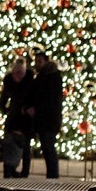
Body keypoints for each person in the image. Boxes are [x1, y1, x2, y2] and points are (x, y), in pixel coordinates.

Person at [0, 56, 34, 176]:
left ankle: (24, 173)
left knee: (25, 148)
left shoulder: (30, 82)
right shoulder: (9, 83)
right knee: (9, 146)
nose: (17, 76)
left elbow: (34, 99)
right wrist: (7, 109)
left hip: (25, 120)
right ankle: (9, 171)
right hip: (13, 119)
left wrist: (26, 109)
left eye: (20, 73)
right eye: (15, 73)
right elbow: (3, 100)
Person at [32, 50, 64, 179]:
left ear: (45, 61)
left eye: (39, 61)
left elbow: (49, 99)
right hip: (45, 119)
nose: (37, 64)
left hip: (48, 119)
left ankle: (53, 177)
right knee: (47, 149)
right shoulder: (44, 75)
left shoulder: (50, 76)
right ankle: (51, 176)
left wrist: (37, 108)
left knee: (49, 149)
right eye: (36, 61)